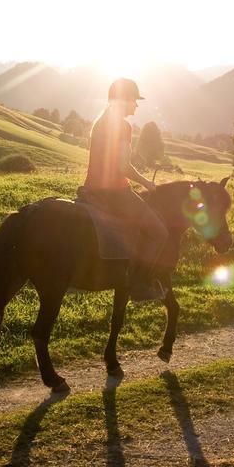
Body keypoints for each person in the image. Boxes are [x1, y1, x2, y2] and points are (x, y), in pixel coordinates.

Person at [78, 78, 169, 301]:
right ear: (124, 100)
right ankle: (138, 285)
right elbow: (123, 166)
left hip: (91, 190)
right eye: (134, 100)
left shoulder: (100, 121)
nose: (136, 106)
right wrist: (148, 183)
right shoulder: (124, 126)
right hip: (115, 193)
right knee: (160, 233)